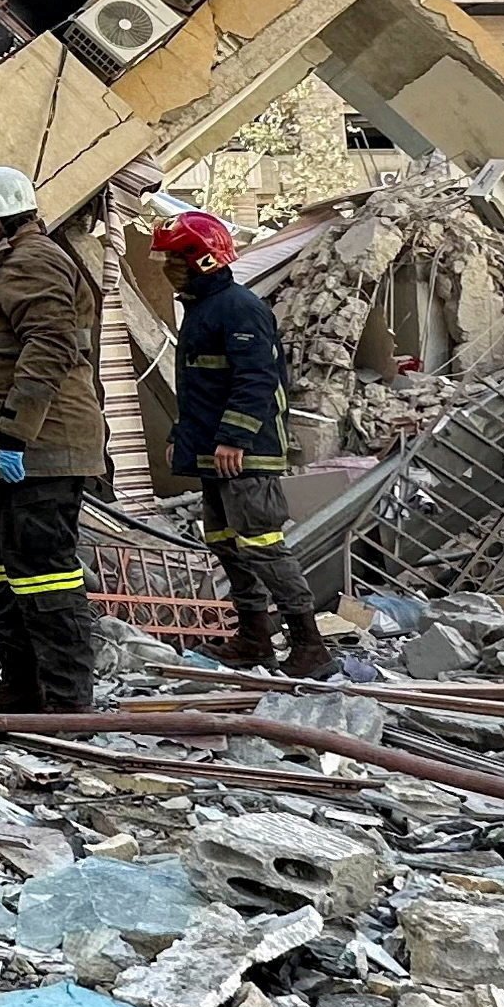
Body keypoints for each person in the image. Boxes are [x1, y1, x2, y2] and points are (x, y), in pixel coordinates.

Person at [0, 165, 106, 711]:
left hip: (42, 445)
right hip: (7, 447)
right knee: (0, 569)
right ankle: (20, 688)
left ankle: (68, 702)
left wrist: (15, 434)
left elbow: (50, 346)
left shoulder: (33, 261)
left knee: (45, 574)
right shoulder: (8, 263)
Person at [152, 208, 330, 679]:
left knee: (262, 544)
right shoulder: (202, 308)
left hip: (244, 454)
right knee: (228, 543)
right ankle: (254, 637)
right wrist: (181, 435)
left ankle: (309, 646)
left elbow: (255, 379)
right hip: (215, 452)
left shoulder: (239, 308)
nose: (168, 268)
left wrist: (235, 438)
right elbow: (201, 387)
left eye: (174, 259)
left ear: (203, 259)